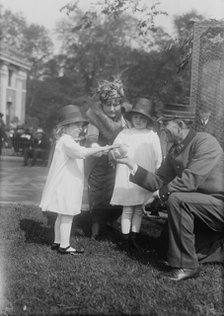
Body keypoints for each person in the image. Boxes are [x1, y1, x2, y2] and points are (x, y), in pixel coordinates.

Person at [115, 103, 224, 281]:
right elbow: (160, 181)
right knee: (164, 250)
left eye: (165, 124)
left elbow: (189, 180)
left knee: (177, 199)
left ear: (180, 125)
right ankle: (213, 248)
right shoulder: (175, 151)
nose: (161, 128)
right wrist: (131, 164)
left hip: (218, 206)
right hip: (200, 208)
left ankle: (187, 266)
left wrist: (158, 196)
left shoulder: (205, 142)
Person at [40, 104, 119, 255]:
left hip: (65, 184)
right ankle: (65, 246)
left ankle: (57, 242)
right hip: (65, 186)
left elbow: (83, 152)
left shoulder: (65, 141)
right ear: (65, 127)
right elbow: (82, 152)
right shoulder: (67, 141)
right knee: (67, 214)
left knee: (62, 214)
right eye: (77, 125)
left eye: (81, 126)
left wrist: (98, 151)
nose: (80, 129)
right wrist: (104, 148)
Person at [110, 98, 162, 251]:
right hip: (126, 174)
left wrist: (157, 170)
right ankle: (125, 238)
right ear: (131, 118)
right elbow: (115, 149)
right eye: (136, 117)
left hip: (144, 175)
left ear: (148, 120)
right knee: (128, 207)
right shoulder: (125, 133)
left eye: (142, 118)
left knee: (139, 208)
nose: (138, 120)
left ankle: (134, 236)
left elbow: (158, 156)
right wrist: (117, 152)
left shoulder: (152, 135)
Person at [85, 79, 129, 239]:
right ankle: (95, 229)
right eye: (108, 105)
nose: (112, 109)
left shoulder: (123, 120)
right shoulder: (96, 119)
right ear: (102, 104)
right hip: (98, 162)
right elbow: (92, 138)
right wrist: (95, 145)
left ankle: (111, 221)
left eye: (116, 105)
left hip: (117, 162)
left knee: (116, 192)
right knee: (98, 194)